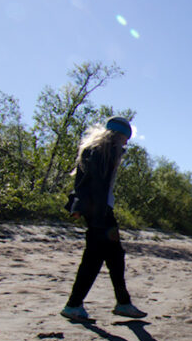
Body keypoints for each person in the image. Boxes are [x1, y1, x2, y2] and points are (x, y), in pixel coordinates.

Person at [61, 116, 148, 321]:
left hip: (98, 210)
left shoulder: (94, 149)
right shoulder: (105, 152)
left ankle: (123, 303)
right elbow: (97, 186)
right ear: (119, 135)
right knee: (94, 259)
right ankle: (74, 305)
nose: (126, 142)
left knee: (115, 257)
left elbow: (83, 184)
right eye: (126, 138)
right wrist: (100, 216)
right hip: (100, 212)